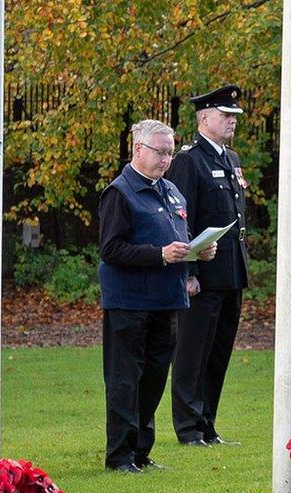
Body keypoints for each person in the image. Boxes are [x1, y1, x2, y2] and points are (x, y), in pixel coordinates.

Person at [99, 119, 216, 473]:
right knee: (125, 380)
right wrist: (160, 255)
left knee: (153, 379)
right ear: (138, 149)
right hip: (130, 302)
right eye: (159, 152)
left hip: (167, 300)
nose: (166, 159)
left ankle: (140, 452)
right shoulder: (120, 193)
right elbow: (111, 249)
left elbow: (181, 232)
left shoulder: (171, 191)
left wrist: (199, 254)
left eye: (169, 152)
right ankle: (119, 455)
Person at [166, 84, 250, 446]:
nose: (231, 121)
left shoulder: (229, 158)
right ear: (204, 118)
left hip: (230, 273)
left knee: (218, 353)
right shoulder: (190, 159)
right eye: (225, 115)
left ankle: (207, 424)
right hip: (202, 275)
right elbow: (181, 218)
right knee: (192, 352)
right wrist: (189, 272)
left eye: (233, 116)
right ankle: (188, 428)